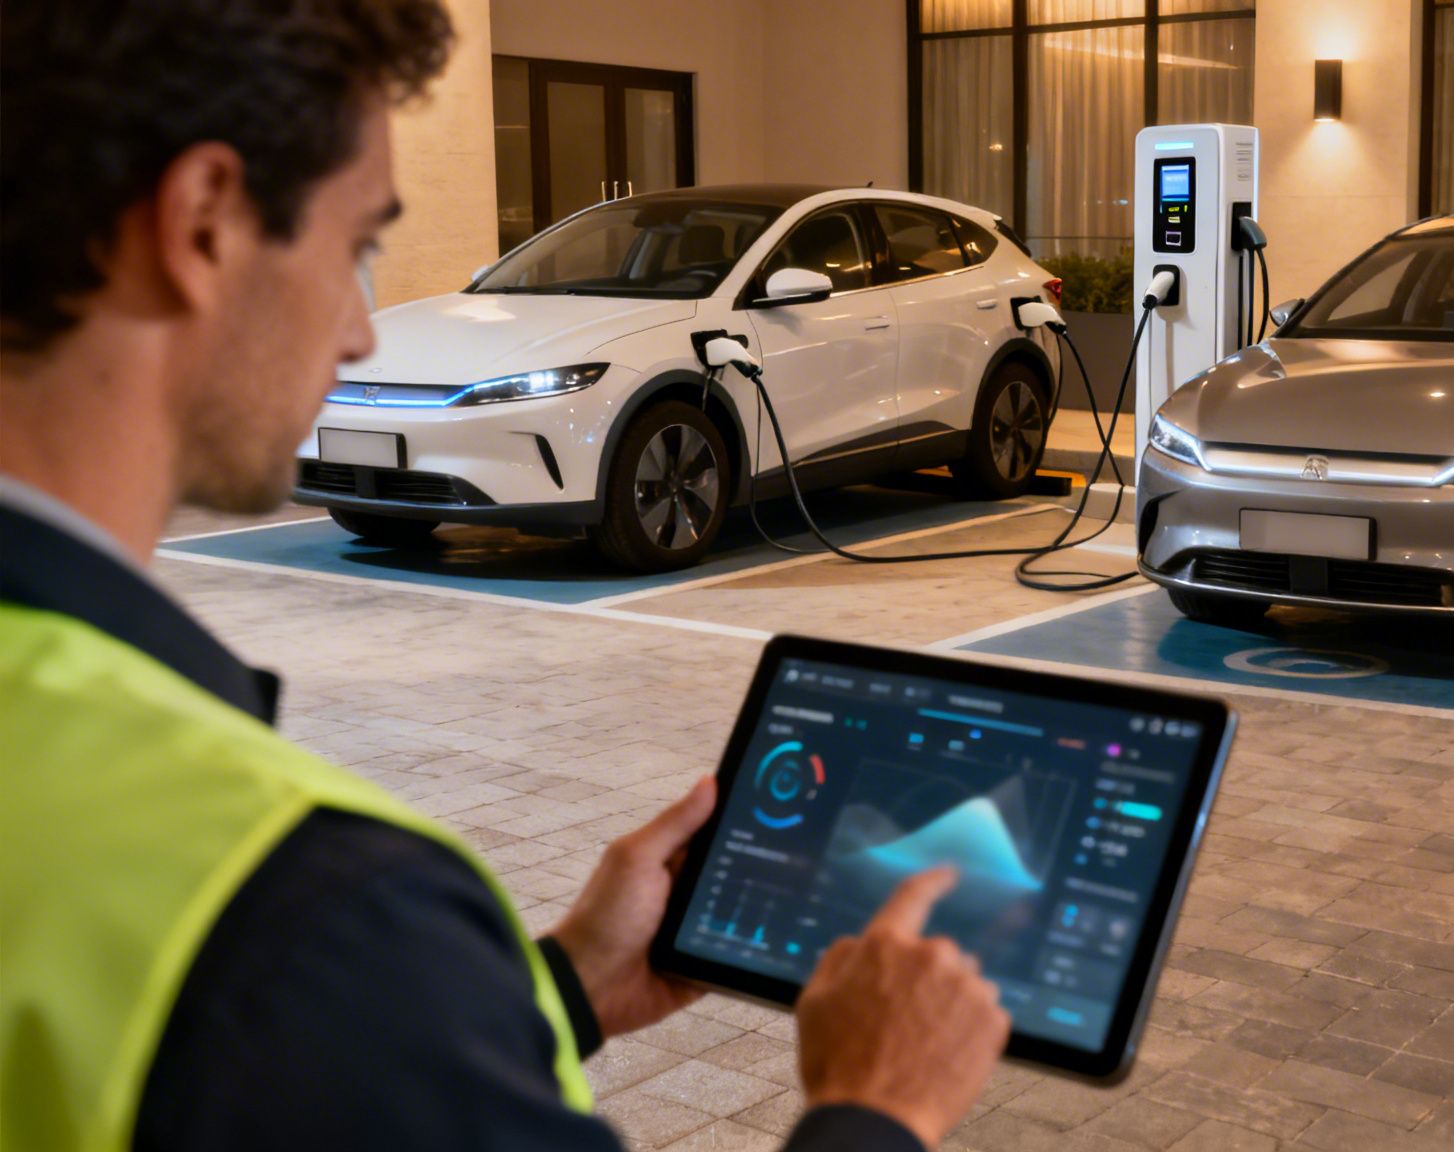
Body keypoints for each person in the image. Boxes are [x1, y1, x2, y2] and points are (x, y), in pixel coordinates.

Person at [0, 2, 1009, 1150]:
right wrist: (878, 1105)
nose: (359, 337)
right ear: (202, 226)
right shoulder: (304, 911)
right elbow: (309, 1023)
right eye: (354, 248)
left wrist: (567, 986)